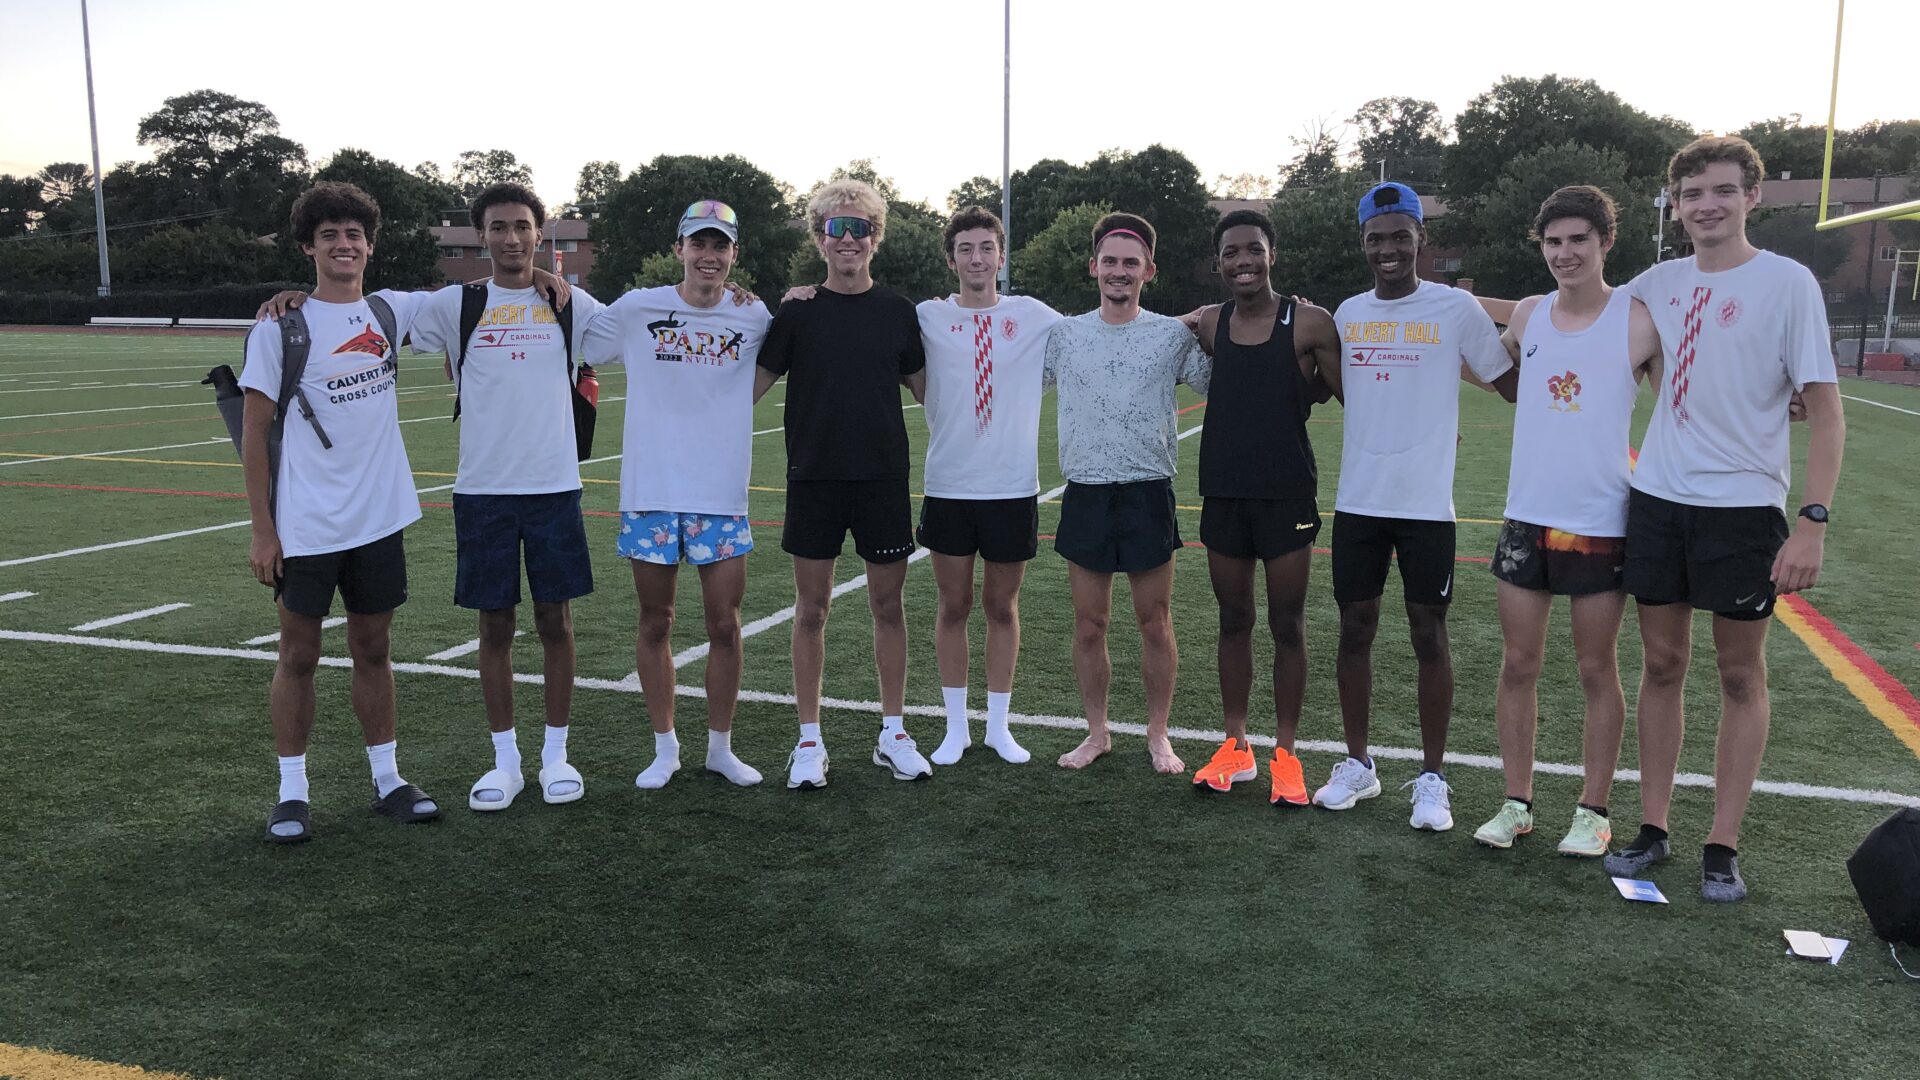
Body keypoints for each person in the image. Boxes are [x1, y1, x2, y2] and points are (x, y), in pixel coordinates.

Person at [1604, 136, 1845, 902]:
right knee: (1664, 665)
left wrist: (1810, 524)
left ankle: (1723, 843)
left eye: (1721, 191)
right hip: (1661, 501)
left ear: (1752, 198)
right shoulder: (1658, 280)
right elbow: (1577, 316)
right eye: (1692, 193)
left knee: (1740, 673)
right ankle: (1653, 826)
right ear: (1676, 205)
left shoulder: (1787, 283)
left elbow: (1828, 413)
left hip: (1743, 508)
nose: (1706, 205)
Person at [1317, 181, 1516, 830]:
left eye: (1400, 236)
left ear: (1420, 240)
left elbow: (1510, 381)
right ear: (1364, 244)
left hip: (1428, 506)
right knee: (1355, 629)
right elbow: (1348, 391)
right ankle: (1359, 765)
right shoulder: (1346, 315)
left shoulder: (1454, 310)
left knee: (1430, 633)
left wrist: (1550, 323)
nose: (1389, 249)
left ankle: (1433, 779)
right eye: (1377, 239)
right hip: (1359, 504)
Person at [1469, 186, 1662, 856]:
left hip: (1599, 519)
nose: (1565, 253)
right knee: (1519, 661)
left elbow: (1685, 393)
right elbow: (1488, 368)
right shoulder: (1528, 315)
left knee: (1593, 669)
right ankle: (1516, 803)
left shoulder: (1638, 319)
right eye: (1553, 242)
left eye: (1579, 239)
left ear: (1606, 241)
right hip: (1527, 516)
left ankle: (1593, 809)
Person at [242, 181, 436, 843]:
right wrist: (263, 531)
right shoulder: (280, 328)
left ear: (369, 245)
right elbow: (253, 433)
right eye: (330, 235)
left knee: (374, 647)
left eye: (354, 234)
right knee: (298, 655)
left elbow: (490, 291)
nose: (344, 244)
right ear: (309, 246)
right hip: (306, 522)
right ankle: (292, 792)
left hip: (379, 516)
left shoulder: (389, 312)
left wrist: (548, 275)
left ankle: (388, 779)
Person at [580, 199, 771, 789]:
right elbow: (575, 331)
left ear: (734, 254)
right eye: (699, 244)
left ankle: (720, 748)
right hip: (651, 492)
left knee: (725, 626)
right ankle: (665, 748)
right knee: (655, 622)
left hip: (720, 495)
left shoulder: (755, 314)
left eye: (720, 246)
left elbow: (800, 333)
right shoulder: (639, 308)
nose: (708, 256)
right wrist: (542, 277)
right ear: (679, 249)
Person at [754, 179, 929, 789]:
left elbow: (930, 393)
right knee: (813, 610)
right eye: (837, 228)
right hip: (814, 478)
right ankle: (809, 739)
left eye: (860, 228)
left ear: (875, 237)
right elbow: (749, 386)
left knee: (888, 606)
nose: (849, 239)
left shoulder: (899, 311)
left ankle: (893, 732)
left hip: (882, 478)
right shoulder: (797, 311)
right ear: (820, 237)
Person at [1181, 208, 1343, 806]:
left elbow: (1346, 394)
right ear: (1219, 262)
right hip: (1223, 491)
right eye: (1231, 253)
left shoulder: (1310, 323)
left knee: (1287, 624)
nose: (1242, 261)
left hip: (1286, 495)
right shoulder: (1209, 325)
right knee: (1233, 620)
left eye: (1253, 249)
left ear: (1271, 253)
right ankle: (1235, 746)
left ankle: (1287, 754)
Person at [1043, 212, 1211, 775]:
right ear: (1094, 267)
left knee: (1154, 621)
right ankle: (1097, 732)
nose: (1119, 271)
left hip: (1148, 493)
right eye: (1109, 261)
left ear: (1149, 271)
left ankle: (1158, 734)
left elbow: (1226, 374)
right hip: (1086, 492)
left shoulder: (1171, 334)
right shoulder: (1064, 335)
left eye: (1130, 263)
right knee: (1090, 624)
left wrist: (1219, 319)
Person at [915, 207, 1063, 765]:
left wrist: (1190, 318)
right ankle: (955, 727)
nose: (976, 259)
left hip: (1011, 487)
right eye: (965, 249)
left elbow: (1102, 322)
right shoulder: (926, 316)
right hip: (950, 484)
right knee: (953, 605)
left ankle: (999, 726)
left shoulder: (1034, 315)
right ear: (951, 258)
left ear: (1001, 255)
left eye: (986, 248)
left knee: (1002, 606)